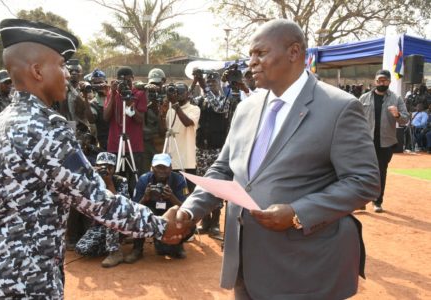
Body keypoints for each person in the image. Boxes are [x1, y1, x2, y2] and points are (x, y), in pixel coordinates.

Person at [0, 19, 189, 299]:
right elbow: (96, 200)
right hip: (28, 281)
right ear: (37, 71)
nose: (67, 74)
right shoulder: (45, 127)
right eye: (60, 65)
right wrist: (160, 225)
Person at [172, 19, 381, 299]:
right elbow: (223, 170)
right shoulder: (246, 108)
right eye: (250, 55)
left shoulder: (339, 107)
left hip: (304, 268)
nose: (251, 63)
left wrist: (298, 213)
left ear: (294, 52)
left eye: (260, 54)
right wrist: (189, 211)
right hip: (246, 261)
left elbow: (363, 181)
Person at [126, 153, 191, 263]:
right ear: (152, 168)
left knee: (186, 219)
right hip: (152, 213)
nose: (161, 171)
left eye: (165, 167)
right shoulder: (144, 180)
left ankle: (178, 245)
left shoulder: (179, 180)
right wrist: (145, 198)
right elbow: (134, 207)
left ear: (170, 167)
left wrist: (171, 197)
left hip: (171, 214)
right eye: (158, 167)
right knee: (139, 214)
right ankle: (137, 248)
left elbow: (187, 207)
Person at [359, 69, 409, 212]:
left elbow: (405, 119)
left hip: (385, 143)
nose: (382, 83)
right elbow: (354, 118)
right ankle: (361, 201)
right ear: (375, 81)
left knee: (381, 172)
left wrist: (397, 114)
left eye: (385, 80)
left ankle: (377, 201)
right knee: (362, 172)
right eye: (380, 80)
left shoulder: (396, 99)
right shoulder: (363, 99)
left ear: (389, 82)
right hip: (366, 142)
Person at [192, 71, 230, 239]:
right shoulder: (201, 100)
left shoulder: (224, 99)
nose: (210, 84)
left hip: (216, 150)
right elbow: (186, 100)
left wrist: (204, 88)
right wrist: (195, 82)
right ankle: (205, 221)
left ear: (219, 84)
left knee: (216, 187)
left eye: (213, 82)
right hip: (201, 149)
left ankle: (215, 223)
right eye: (208, 82)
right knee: (202, 185)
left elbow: (218, 107)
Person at [75, 152, 129, 268]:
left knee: (112, 213)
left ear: (114, 168)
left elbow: (121, 205)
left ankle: (115, 252)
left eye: (110, 167)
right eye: (102, 166)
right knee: (82, 249)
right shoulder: (90, 180)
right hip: (98, 223)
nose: (106, 170)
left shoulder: (120, 181)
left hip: (118, 221)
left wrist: (109, 183)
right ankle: (110, 243)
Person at [104, 66, 147, 195]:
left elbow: (140, 120)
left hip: (133, 145)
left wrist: (129, 101)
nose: (125, 84)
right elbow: (106, 117)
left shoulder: (139, 94)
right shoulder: (112, 94)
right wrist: (112, 94)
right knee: (116, 180)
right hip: (115, 145)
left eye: (128, 81)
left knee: (134, 181)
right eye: (122, 81)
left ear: (133, 79)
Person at [159, 82, 200, 189]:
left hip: (187, 160)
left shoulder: (194, 109)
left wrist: (175, 106)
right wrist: (162, 113)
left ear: (188, 94)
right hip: (172, 160)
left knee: (189, 192)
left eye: (181, 91)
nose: (178, 94)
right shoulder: (170, 110)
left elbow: (187, 123)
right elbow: (165, 130)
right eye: (176, 91)